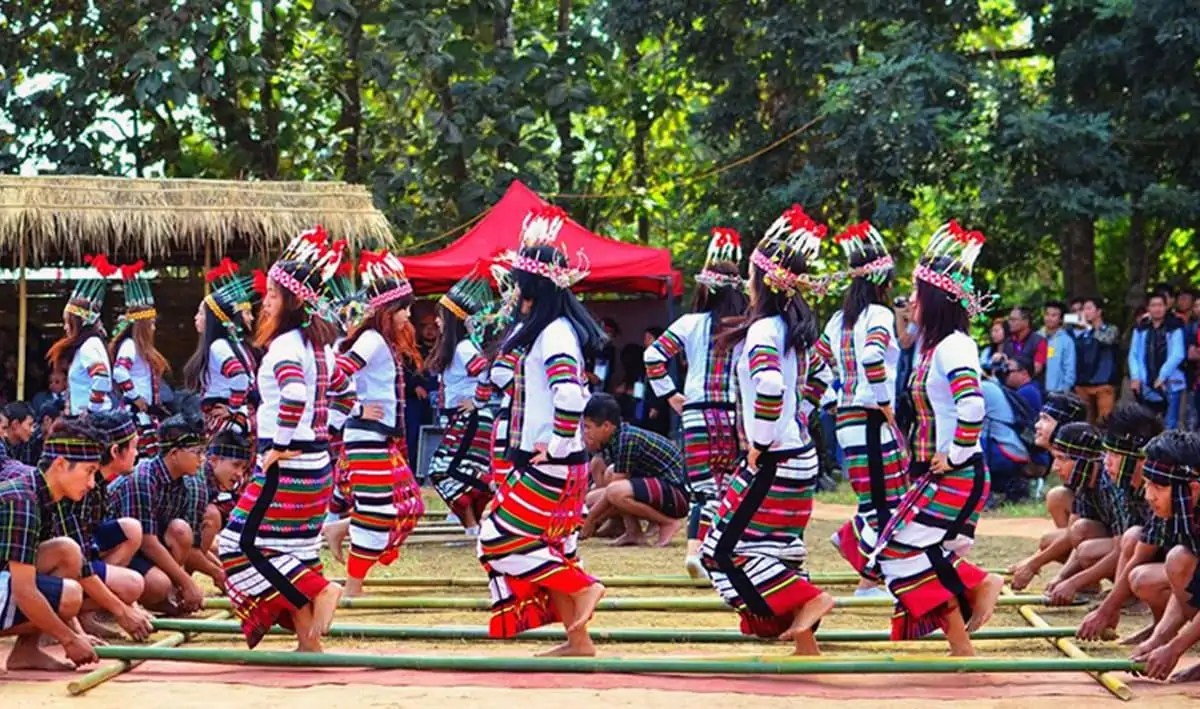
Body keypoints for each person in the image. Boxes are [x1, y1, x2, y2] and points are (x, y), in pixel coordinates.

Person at [701, 204, 836, 655]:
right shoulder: (791, 329)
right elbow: (816, 379)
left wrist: (761, 439)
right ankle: (805, 641)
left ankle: (808, 602)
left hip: (775, 455)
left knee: (721, 551)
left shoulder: (765, 331)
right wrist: (797, 420)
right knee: (778, 547)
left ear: (761, 280)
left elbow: (771, 385)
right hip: (795, 452)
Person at [476, 205, 608, 655]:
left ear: (530, 287)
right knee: (553, 545)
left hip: (551, 460)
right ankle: (578, 640)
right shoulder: (549, 331)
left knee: (497, 539)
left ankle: (583, 586)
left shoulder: (554, 334)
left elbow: (569, 394)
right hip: (551, 457)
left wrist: (555, 444)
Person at [869, 219, 1003, 656]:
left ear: (934, 299)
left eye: (916, 292)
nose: (910, 300)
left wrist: (957, 453)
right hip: (939, 470)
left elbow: (972, 405)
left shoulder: (954, 346)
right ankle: (961, 644)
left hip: (957, 472)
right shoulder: (934, 346)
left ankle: (980, 585)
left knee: (902, 550)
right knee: (917, 553)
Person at [218, 225, 349, 651]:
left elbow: (293, 395)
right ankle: (310, 643)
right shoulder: (321, 346)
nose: (266, 302)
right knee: (294, 550)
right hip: (316, 461)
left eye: (273, 295)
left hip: (288, 463)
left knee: (237, 544)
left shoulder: (286, 346)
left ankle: (322, 590)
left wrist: (281, 443)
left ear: (292, 301)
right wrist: (325, 430)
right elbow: (345, 391)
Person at [644, 227, 746, 576]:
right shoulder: (746, 327)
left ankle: (694, 551)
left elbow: (653, 356)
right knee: (730, 483)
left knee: (702, 488)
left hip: (696, 414)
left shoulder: (689, 323)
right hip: (732, 415)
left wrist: (670, 394)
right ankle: (720, 551)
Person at [817, 221, 907, 597]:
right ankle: (870, 580)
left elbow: (816, 362)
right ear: (882, 282)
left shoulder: (839, 320)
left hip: (847, 417)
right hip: (870, 416)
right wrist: (883, 402)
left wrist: (829, 400)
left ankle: (852, 541)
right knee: (886, 499)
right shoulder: (878, 316)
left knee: (879, 494)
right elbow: (872, 355)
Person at [329, 250, 424, 597]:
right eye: (403, 309)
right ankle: (353, 587)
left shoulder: (379, 340)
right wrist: (355, 409)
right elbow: (335, 374)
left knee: (410, 503)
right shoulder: (370, 340)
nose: (408, 316)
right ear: (387, 310)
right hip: (365, 435)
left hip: (378, 435)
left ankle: (341, 528)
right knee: (378, 511)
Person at [0, 418, 106, 671]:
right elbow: (25, 590)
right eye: (89, 471)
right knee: (70, 595)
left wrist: (75, 633)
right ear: (60, 465)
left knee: (66, 551)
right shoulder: (22, 501)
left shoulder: (43, 495)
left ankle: (26, 651)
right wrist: (69, 639)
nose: (91, 483)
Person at [54, 409, 154, 641]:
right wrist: (122, 609)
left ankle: (86, 610)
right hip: (54, 562)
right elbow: (75, 559)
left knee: (131, 529)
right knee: (133, 584)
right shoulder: (76, 486)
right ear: (115, 451)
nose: (137, 453)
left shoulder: (94, 483)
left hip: (77, 552)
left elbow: (85, 545)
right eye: (134, 446)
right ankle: (68, 614)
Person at [1076, 403, 1164, 641]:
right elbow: (1131, 547)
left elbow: (1143, 553)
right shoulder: (1130, 487)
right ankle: (1159, 626)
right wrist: (1111, 605)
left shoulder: (1164, 487)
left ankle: (1164, 631)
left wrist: (1107, 608)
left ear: (1139, 458)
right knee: (1132, 537)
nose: (1106, 462)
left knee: (1146, 575)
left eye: (1114, 455)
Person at [107, 409, 207, 614]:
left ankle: (169, 592)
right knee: (158, 585)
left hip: (148, 549)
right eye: (197, 452)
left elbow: (181, 538)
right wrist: (186, 582)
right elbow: (146, 541)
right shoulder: (143, 478)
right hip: (119, 551)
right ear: (174, 454)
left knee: (181, 530)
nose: (202, 459)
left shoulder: (185, 482)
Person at [426, 271, 497, 535]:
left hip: (470, 417)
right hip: (461, 418)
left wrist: (478, 401)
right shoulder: (456, 348)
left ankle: (496, 490)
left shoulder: (463, 348)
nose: (436, 321)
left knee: (444, 470)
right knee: (459, 470)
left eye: (441, 316)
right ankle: (472, 526)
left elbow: (486, 371)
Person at [1127, 430, 1200, 682]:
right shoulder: (1186, 509)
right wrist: (1159, 638)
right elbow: (1191, 586)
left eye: (1158, 487)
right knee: (1179, 559)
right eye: (1147, 483)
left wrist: (1175, 648)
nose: (1149, 495)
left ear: (1193, 489)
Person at [580, 393, 688, 547]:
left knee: (613, 492)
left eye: (588, 427)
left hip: (676, 494)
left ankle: (667, 522)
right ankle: (631, 530)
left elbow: (612, 491)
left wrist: (590, 520)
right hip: (660, 488)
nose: (585, 432)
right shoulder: (615, 437)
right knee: (602, 487)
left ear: (606, 426)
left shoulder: (626, 440)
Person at [1008, 392, 1088, 589]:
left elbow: (1078, 531)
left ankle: (1080, 578)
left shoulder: (1082, 462)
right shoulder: (1063, 459)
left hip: (1109, 541)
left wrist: (1033, 563)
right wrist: (1032, 562)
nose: (1037, 425)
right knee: (1058, 497)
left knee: (1051, 538)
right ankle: (1084, 579)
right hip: (1092, 535)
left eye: (1045, 419)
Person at [1039, 422, 1123, 604]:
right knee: (1080, 529)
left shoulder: (1111, 484)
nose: (1055, 467)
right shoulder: (1084, 482)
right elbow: (1074, 535)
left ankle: (1129, 594)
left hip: (1137, 549)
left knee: (1088, 551)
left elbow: (1124, 548)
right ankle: (1092, 585)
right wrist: (1062, 577)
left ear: (1083, 460)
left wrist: (1074, 582)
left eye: (1062, 459)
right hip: (1117, 543)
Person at [183, 259, 262, 438]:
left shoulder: (218, 347)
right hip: (238, 417)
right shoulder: (231, 345)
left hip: (226, 420)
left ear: (213, 319)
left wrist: (233, 408)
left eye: (201, 313)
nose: (196, 318)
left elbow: (240, 376)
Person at [109, 261, 170, 458]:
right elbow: (119, 372)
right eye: (150, 324)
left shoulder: (140, 348)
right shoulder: (130, 345)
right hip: (135, 412)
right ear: (142, 325)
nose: (154, 328)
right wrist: (135, 397)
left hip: (145, 413)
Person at [46, 255, 118, 416]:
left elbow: (101, 376)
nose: (65, 327)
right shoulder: (88, 345)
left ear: (79, 323)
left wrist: (92, 409)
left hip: (92, 420)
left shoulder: (89, 346)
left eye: (67, 322)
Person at [187, 430, 253, 589]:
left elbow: (196, 548)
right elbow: (189, 551)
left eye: (243, 468)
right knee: (212, 516)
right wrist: (217, 574)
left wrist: (221, 571)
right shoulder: (198, 484)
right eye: (236, 465)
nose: (240, 474)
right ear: (214, 460)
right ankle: (180, 584)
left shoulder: (211, 483)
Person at [979, 366, 1038, 505]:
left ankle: (984, 493)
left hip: (1004, 451)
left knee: (968, 441)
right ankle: (1010, 486)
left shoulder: (982, 388)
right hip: (1016, 448)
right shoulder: (993, 385)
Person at [1129, 292, 1187, 430]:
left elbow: (1178, 354)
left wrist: (1162, 376)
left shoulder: (1174, 326)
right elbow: (1133, 354)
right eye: (1153, 305)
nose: (1157, 309)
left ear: (1166, 307)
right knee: (1145, 423)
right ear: (1148, 308)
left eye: (1160, 305)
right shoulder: (1141, 327)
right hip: (1146, 382)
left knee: (1169, 424)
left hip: (1170, 382)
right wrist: (1136, 376)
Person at [1074, 296, 1121, 425]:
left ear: (1099, 311)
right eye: (1084, 309)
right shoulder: (1081, 333)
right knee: (1085, 423)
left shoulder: (1111, 329)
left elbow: (1107, 340)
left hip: (1104, 382)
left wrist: (1090, 328)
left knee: (1104, 422)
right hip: (1083, 383)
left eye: (1089, 308)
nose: (1085, 312)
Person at [1041, 300, 1077, 395]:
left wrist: (1065, 389)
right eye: (1047, 314)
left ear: (1060, 319)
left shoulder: (1066, 341)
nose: (1049, 318)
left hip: (1057, 391)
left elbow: (1069, 368)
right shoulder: (1036, 337)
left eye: (1054, 315)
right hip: (1036, 389)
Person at [1003, 306, 1048, 379]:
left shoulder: (1039, 341)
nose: (1010, 323)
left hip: (1032, 383)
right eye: (1009, 319)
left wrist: (1019, 366)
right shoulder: (1008, 341)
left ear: (1026, 321)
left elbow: (1037, 369)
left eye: (1013, 320)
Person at [2, 402, 38, 466]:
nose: (32, 430)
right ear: (15, 424)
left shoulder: (27, 443)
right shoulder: (1, 447)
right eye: (30, 425)